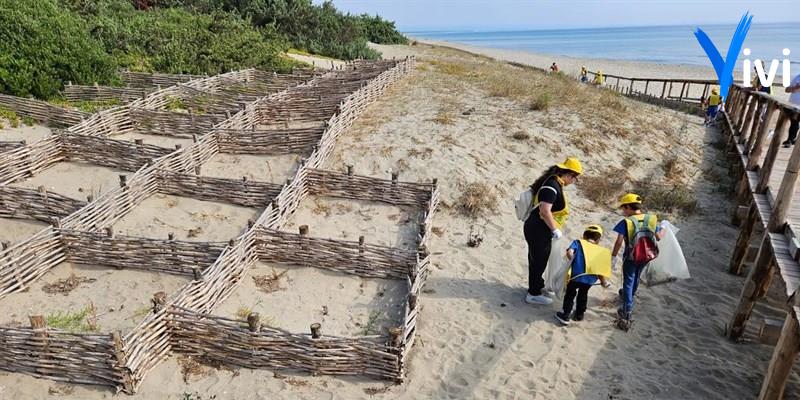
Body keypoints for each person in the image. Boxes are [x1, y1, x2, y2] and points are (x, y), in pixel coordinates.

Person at [523, 157, 583, 305]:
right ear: (569, 174)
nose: (574, 181)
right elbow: (544, 211)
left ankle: (537, 285)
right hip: (538, 229)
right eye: (575, 178)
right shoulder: (552, 186)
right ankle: (533, 294)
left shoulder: (555, 183)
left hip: (539, 229)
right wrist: (555, 229)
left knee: (538, 258)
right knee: (538, 261)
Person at [611, 193, 665, 329]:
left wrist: (613, 256)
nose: (623, 211)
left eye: (624, 208)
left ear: (629, 207)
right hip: (647, 255)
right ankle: (629, 295)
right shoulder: (651, 219)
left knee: (628, 280)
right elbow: (658, 237)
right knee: (636, 277)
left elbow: (618, 242)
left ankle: (627, 310)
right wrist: (664, 227)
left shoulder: (627, 222)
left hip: (631, 256)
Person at [554, 225, 612, 326]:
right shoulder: (601, 251)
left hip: (575, 276)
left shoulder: (578, 242)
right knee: (583, 294)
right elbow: (599, 271)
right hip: (588, 281)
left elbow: (569, 252)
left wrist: (573, 260)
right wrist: (603, 282)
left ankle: (566, 315)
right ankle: (579, 315)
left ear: (584, 235)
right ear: (598, 239)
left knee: (570, 294)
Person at [781, 72, 800, 148]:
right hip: (793, 106)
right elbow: (787, 90)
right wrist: (795, 88)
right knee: (794, 123)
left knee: (795, 123)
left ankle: (792, 140)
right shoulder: (797, 77)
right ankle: (790, 140)